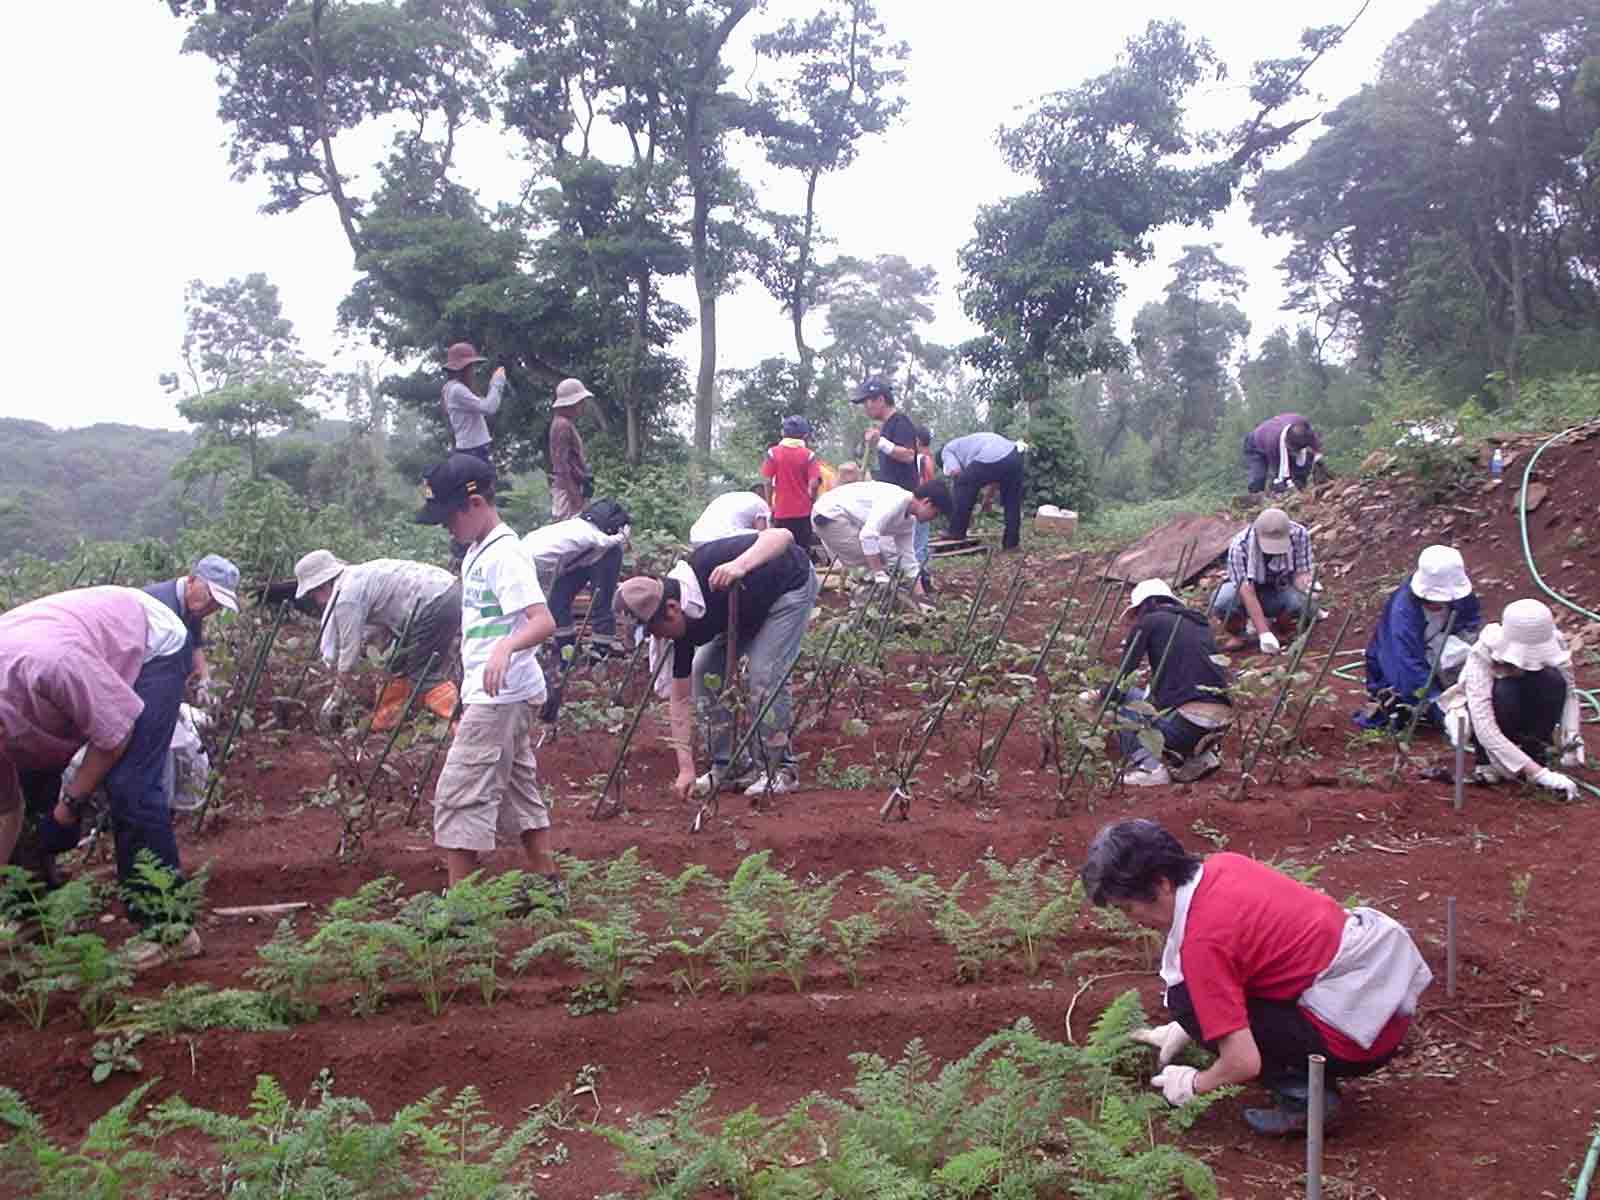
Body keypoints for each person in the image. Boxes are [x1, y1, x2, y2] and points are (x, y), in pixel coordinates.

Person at [1081, 819, 1432, 1137]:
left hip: (1357, 1039)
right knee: (1192, 1005)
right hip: (1378, 1005)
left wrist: (1194, 1084)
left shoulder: (1204, 942)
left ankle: (1305, 1098)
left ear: (1162, 883)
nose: (1130, 919)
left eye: (1128, 907)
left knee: (1186, 1004)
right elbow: (1255, 954)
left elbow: (1243, 1062)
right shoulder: (1223, 865)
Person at [0, 586, 203, 969]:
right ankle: (31, 911)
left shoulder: (50, 667)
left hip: (145, 643)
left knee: (132, 786)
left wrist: (69, 807)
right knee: (32, 781)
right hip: (72, 645)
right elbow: (7, 810)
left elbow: (115, 737)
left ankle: (169, 930)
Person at [415, 453, 563, 894]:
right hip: (496, 693)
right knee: (518, 789)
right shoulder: (479, 553)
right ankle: (546, 882)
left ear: (474, 504)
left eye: (449, 517)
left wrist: (507, 646)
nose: (447, 527)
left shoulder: (505, 555)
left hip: (501, 696)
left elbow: (542, 621)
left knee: (459, 788)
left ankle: (460, 905)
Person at [615, 527, 817, 799]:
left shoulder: (708, 562)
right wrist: (685, 769)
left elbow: (782, 535)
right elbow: (680, 699)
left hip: (788, 588)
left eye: (654, 630)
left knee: (764, 673)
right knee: (704, 671)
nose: (657, 638)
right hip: (746, 610)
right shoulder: (679, 627)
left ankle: (780, 770)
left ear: (673, 609)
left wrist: (739, 565)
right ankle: (729, 766)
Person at [294, 551, 461, 732]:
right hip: (444, 591)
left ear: (322, 585)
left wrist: (338, 693)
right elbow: (380, 630)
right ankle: (387, 718)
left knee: (422, 672)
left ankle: (460, 722)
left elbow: (349, 650)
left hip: (435, 601)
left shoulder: (347, 597)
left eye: (312, 594)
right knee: (396, 666)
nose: (316, 601)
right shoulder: (354, 578)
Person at [1439, 599, 1585, 799]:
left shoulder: (1554, 640)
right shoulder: (1481, 654)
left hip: (1528, 701)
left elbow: (1569, 691)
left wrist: (1572, 739)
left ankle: (1535, 751)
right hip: (1495, 712)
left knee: (1554, 682)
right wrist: (1541, 775)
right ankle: (1488, 762)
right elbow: (1485, 728)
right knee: (1505, 692)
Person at [1100, 580, 1232, 786]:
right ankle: (1200, 757)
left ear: (1146, 605)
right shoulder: (1199, 623)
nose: (1136, 620)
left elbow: (1123, 679)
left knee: (1121, 701)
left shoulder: (1149, 621)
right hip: (1220, 725)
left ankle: (1149, 767)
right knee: (1152, 700)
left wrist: (1101, 693)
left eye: (1136, 614)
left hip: (1187, 725)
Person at [1361, 546, 1482, 730]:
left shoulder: (1460, 596)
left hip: (1439, 651)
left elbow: (1472, 622)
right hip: (1399, 668)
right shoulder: (1403, 613)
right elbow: (1406, 665)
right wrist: (1439, 703)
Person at [520, 505, 630, 666]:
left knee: (600, 599)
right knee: (557, 601)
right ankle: (568, 649)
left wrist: (621, 537)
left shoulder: (536, 556)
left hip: (605, 551)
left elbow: (541, 594)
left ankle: (600, 651)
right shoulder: (525, 551)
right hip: (578, 558)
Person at [810, 479, 951, 597]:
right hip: (828, 515)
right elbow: (868, 536)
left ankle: (871, 589)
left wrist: (921, 597)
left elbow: (908, 559)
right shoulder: (896, 501)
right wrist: (879, 574)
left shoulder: (908, 521)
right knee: (877, 558)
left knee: (884, 558)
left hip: (843, 518)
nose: (933, 518)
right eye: (935, 513)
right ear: (926, 502)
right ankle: (865, 592)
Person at [1211, 507, 1314, 653]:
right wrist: (1264, 633)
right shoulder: (1240, 545)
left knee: (1299, 603)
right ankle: (1240, 635)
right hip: (1247, 591)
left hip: (1281, 587)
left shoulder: (1299, 534)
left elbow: (1301, 572)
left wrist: (1307, 588)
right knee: (1223, 601)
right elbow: (1247, 591)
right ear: (1257, 533)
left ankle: (1281, 629)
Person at [141, 554, 241, 697]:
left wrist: (205, 679)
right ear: (191, 579)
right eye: (209, 595)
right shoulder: (160, 607)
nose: (211, 606)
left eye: (218, 603)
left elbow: (195, 643)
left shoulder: (193, 605)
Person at [941, 431, 1025, 551]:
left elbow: (956, 473)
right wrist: (988, 498)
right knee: (1012, 502)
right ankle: (1011, 544)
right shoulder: (967, 444)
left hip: (992, 455)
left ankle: (956, 532)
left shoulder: (947, 450)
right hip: (1014, 455)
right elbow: (996, 475)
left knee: (962, 483)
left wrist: (961, 504)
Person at [761, 415, 823, 550]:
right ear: (805, 435)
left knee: (782, 551)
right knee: (802, 551)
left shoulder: (773, 453)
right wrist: (811, 500)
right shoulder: (809, 455)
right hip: (803, 513)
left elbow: (766, 481)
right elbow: (813, 483)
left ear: (783, 433)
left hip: (781, 512)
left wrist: (770, 505)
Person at [441, 341, 506, 461]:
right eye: (471, 366)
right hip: (473, 451)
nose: (474, 370)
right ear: (464, 368)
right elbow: (489, 408)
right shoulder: (457, 389)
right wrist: (498, 382)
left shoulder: (451, 388)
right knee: (486, 478)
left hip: (470, 450)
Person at [854, 376, 920, 492]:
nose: (865, 408)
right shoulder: (885, 427)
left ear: (880, 400)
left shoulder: (900, 422)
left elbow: (909, 455)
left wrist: (880, 442)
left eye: (866, 403)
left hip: (903, 498)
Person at [548, 377, 595, 520]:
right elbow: (561, 466)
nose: (582, 407)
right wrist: (575, 498)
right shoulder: (562, 426)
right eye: (580, 403)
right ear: (571, 404)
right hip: (568, 491)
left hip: (573, 487)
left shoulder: (564, 423)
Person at [1244, 413, 1322, 495]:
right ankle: (1255, 500)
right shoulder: (1273, 444)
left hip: (1276, 434)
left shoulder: (1304, 426)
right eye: (1293, 451)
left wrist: (1318, 462)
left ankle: (1302, 492)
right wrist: (1283, 486)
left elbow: (1316, 448)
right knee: (1259, 479)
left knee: (1301, 469)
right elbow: (1280, 474)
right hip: (1255, 445)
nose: (1295, 454)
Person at [689, 488, 771, 547]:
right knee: (767, 539)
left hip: (696, 539)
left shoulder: (733, 497)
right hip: (719, 540)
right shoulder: (761, 503)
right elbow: (763, 533)